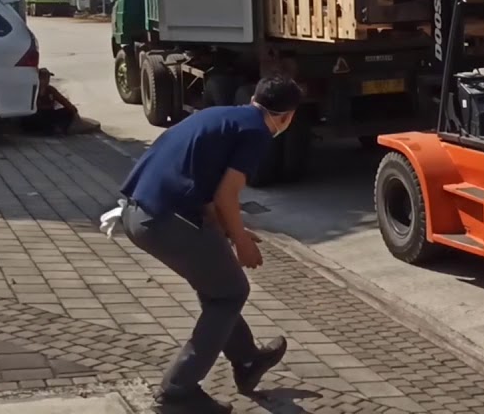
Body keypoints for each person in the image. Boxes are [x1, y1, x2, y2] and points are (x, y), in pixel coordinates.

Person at [119, 76, 303, 413]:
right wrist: (243, 243)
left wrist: (233, 233)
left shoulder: (222, 116)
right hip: (165, 220)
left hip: (137, 213)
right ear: (285, 117)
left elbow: (206, 192)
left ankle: (247, 359)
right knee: (231, 293)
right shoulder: (256, 133)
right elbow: (227, 193)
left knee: (218, 288)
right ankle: (177, 391)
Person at [20, 68, 78, 135]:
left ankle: (60, 129)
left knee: (68, 111)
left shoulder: (51, 90)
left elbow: (63, 100)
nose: (46, 80)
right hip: (37, 115)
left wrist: (73, 109)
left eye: (47, 78)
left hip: (49, 114)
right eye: (43, 78)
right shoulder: (33, 89)